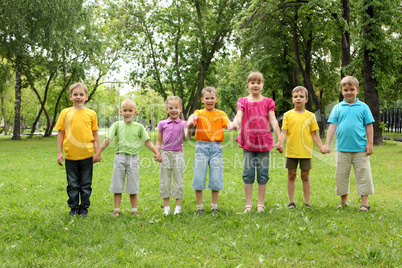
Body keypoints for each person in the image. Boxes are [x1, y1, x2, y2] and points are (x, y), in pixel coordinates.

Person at [93, 99, 161, 217]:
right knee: (117, 184)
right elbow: (107, 140)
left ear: (135, 112)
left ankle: (134, 209)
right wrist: (97, 153)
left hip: (133, 159)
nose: (127, 113)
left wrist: (156, 152)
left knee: (133, 185)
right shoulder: (117, 125)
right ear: (121, 112)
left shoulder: (139, 127)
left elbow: (148, 142)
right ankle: (117, 209)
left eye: (130, 110)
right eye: (125, 110)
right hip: (120, 158)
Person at [324, 76, 374, 212]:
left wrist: (370, 143)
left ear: (357, 90)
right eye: (346, 90)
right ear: (342, 91)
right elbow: (332, 127)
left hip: (360, 149)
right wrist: (327, 143)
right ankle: (343, 201)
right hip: (342, 149)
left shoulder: (364, 107)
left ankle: (364, 203)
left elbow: (369, 126)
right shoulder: (338, 108)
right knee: (341, 175)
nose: (349, 92)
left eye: (352, 89)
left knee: (363, 174)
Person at [233, 72, 281, 213]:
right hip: (248, 141)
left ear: (262, 85)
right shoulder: (242, 101)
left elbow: (273, 120)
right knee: (248, 172)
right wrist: (235, 122)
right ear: (248, 84)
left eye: (258, 82)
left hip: (263, 141)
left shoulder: (268, 102)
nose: (255, 85)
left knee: (263, 172)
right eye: (252, 82)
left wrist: (280, 140)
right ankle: (248, 204)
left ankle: (260, 204)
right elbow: (239, 114)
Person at [276, 86, 327, 209]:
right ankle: (291, 202)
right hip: (292, 151)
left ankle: (307, 201)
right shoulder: (287, 115)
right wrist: (280, 143)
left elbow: (314, 133)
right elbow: (284, 132)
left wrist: (321, 147)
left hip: (305, 152)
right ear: (292, 99)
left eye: (301, 96)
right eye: (296, 96)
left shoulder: (310, 116)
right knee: (291, 175)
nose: (298, 99)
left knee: (305, 176)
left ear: (307, 99)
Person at [187, 86, 235, 214]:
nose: (209, 100)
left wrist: (231, 126)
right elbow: (193, 118)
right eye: (207, 98)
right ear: (202, 100)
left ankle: (214, 207)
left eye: (212, 98)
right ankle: (199, 208)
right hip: (201, 147)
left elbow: (227, 123)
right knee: (199, 176)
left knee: (216, 177)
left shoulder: (220, 114)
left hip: (216, 148)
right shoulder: (200, 113)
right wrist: (191, 121)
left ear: (216, 99)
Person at [56, 82, 100, 218]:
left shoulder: (91, 114)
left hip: (87, 155)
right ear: (70, 97)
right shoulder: (65, 113)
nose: (78, 97)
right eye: (75, 94)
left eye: (81, 94)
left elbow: (95, 134)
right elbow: (60, 133)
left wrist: (97, 153)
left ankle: (84, 209)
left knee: (86, 184)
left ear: (86, 97)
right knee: (73, 184)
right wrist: (59, 152)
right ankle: (74, 209)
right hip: (70, 156)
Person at [155, 96, 188, 216]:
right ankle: (167, 208)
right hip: (165, 153)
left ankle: (178, 207)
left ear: (180, 109)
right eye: (171, 108)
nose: (173, 110)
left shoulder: (183, 123)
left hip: (178, 153)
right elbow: (159, 141)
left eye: (176, 107)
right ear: (166, 109)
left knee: (179, 180)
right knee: (165, 180)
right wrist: (157, 152)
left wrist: (190, 126)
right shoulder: (162, 123)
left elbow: (188, 137)